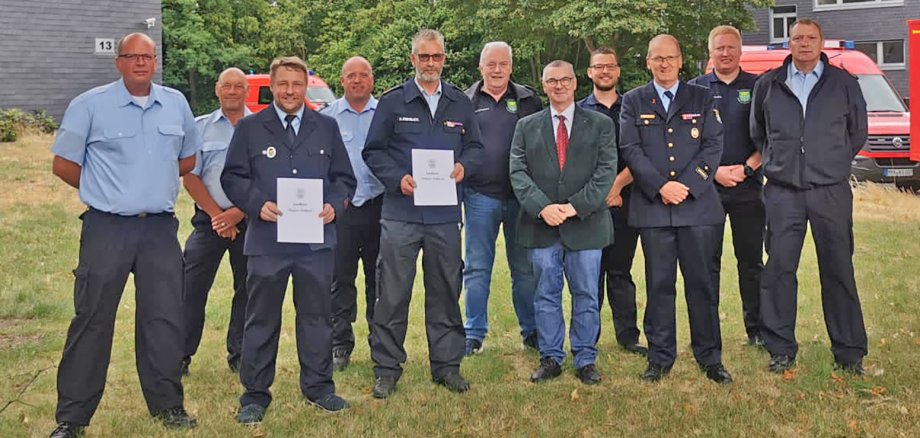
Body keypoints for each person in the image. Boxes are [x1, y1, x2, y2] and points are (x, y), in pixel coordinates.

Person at [49, 32, 200, 438]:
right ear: (118, 62)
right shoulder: (90, 105)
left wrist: (150, 183)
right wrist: (106, 190)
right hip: (107, 228)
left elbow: (187, 158)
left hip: (158, 229)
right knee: (93, 318)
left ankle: (168, 406)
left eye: (147, 57)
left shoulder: (176, 104)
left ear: (155, 62)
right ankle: (73, 417)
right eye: (131, 57)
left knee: (164, 319)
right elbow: (63, 164)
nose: (140, 63)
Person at [221, 56, 356, 423]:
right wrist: (255, 205)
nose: (290, 91)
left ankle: (319, 388)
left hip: (316, 243)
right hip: (267, 242)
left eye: (297, 84)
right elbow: (232, 178)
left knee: (316, 316)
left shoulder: (326, 127)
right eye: (283, 84)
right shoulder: (250, 128)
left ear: (304, 85)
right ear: (273, 87)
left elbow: (345, 180)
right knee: (261, 318)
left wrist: (333, 206)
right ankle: (254, 395)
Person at [363, 29, 483, 399]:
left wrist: (465, 166)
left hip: (445, 216)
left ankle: (446, 366)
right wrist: (397, 178)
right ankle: (386, 368)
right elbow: (373, 152)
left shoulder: (460, 102)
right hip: (401, 215)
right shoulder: (393, 101)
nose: (430, 63)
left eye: (437, 57)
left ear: (444, 59)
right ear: (412, 59)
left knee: (446, 290)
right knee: (393, 293)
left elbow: (477, 147)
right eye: (423, 57)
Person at [750, 19, 869, 375]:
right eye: (797, 38)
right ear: (789, 43)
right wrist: (782, 163)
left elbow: (857, 132)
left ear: (821, 43)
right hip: (783, 193)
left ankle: (849, 353)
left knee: (838, 269)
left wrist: (829, 162)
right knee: (779, 271)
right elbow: (759, 133)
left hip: (829, 191)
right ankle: (781, 348)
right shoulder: (769, 84)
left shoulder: (844, 83)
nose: (804, 43)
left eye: (810, 38)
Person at [619, 34, 733, 384]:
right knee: (659, 285)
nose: (664, 64)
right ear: (648, 62)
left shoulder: (702, 96)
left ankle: (710, 357)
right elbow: (630, 148)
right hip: (654, 208)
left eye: (670, 58)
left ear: (681, 61)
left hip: (696, 207)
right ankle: (660, 357)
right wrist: (659, 186)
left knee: (701, 285)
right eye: (657, 58)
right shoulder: (633, 100)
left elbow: (713, 145)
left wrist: (688, 184)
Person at [510, 60, 617, 385]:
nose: (559, 86)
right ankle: (551, 357)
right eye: (552, 81)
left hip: (586, 223)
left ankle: (585, 358)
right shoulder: (526, 126)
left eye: (565, 80)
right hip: (541, 225)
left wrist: (573, 207)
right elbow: (518, 171)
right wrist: (543, 208)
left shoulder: (600, 124)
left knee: (586, 293)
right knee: (545, 293)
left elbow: (605, 172)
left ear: (575, 83)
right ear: (543, 85)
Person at [461, 41, 543, 356]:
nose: (497, 70)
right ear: (480, 67)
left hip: (522, 198)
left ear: (511, 66)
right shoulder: (465, 100)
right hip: (479, 195)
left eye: (503, 64)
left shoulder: (528, 99)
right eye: (491, 64)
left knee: (524, 268)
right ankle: (474, 333)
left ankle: (532, 331)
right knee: (478, 267)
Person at [689, 25, 765, 347]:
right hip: (708, 189)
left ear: (740, 50)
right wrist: (715, 171)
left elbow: (771, 136)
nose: (725, 53)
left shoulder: (758, 86)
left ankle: (758, 331)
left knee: (750, 263)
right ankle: (708, 335)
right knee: (707, 265)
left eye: (731, 47)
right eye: (719, 47)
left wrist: (747, 168)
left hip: (749, 188)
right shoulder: (695, 88)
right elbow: (684, 143)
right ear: (710, 52)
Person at [181, 67, 252, 376]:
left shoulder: (261, 128)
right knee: (190, 287)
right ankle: (179, 355)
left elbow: (267, 178)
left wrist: (238, 212)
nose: (233, 91)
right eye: (227, 86)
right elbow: (190, 176)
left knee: (248, 290)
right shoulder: (199, 128)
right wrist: (217, 216)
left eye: (239, 86)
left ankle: (241, 355)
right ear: (217, 89)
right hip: (208, 219)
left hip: (250, 220)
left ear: (247, 91)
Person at [577, 47, 647, 356]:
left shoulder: (632, 107)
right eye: (598, 67)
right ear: (589, 72)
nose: (605, 72)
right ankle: (586, 338)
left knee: (620, 271)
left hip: (625, 200)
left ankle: (628, 337)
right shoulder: (577, 111)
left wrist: (617, 187)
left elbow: (642, 153)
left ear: (618, 71)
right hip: (587, 206)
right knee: (588, 275)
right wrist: (593, 195)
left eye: (610, 66)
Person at [319, 56, 384, 371]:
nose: (357, 81)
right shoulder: (327, 118)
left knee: (380, 279)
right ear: (341, 81)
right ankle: (339, 345)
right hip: (342, 213)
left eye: (363, 75)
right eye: (351, 76)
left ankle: (380, 343)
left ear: (372, 80)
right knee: (339, 280)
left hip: (380, 208)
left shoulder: (386, 115)